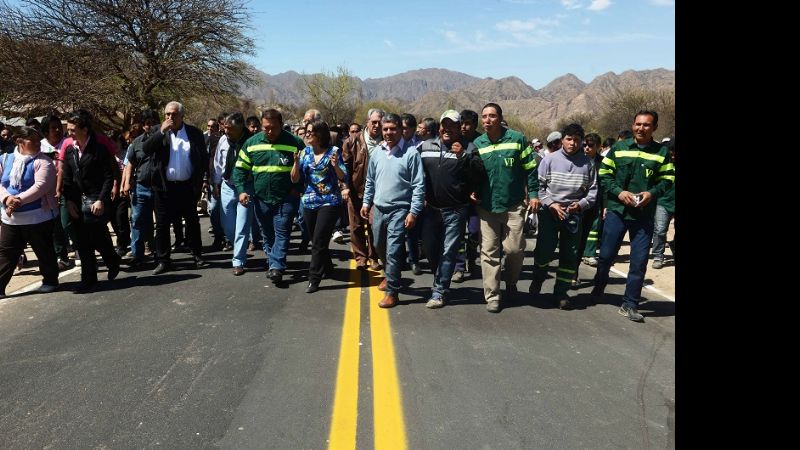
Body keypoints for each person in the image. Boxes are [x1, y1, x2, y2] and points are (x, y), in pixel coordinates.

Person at [592, 110, 675, 322]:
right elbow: (604, 175)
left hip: (643, 216)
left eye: (646, 125)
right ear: (633, 125)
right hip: (617, 212)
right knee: (606, 255)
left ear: (654, 128)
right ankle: (598, 287)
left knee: (638, 262)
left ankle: (630, 304)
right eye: (638, 124)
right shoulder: (619, 149)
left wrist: (651, 193)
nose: (641, 128)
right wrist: (619, 192)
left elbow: (667, 179)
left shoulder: (661, 153)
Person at [473, 103, 539, 313]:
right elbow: (472, 171)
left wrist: (534, 195)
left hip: (513, 205)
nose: (487, 120)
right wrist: (471, 189)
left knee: (515, 249)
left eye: (492, 116)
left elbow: (531, 169)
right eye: (484, 116)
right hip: (487, 206)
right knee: (489, 252)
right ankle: (492, 296)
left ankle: (511, 281)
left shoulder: (517, 139)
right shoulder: (478, 143)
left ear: (500, 118)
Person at [528, 123, 597, 310]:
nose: (572, 143)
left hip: (574, 215)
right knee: (544, 251)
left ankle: (561, 293)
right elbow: (539, 188)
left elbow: (592, 192)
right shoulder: (549, 160)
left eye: (576, 140)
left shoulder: (588, 163)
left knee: (569, 255)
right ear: (562, 141)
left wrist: (581, 205)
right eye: (569, 139)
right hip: (550, 213)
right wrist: (551, 204)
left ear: (581, 141)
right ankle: (538, 278)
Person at [360, 113, 425, 308]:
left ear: (400, 130)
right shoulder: (377, 152)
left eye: (392, 129)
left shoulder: (411, 153)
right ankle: (390, 275)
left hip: (400, 209)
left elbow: (418, 185)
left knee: (394, 250)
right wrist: (366, 203)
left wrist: (413, 212)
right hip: (379, 208)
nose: (388, 132)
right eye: (385, 128)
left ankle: (392, 292)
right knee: (380, 246)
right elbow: (370, 180)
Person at [418, 110, 481, 308]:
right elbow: (415, 171)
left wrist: (463, 156)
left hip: (456, 210)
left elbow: (479, 172)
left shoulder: (469, 148)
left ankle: (439, 291)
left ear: (459, 128)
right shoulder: (426, 146)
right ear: (439, 127)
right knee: (429, 248)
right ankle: (441, 278)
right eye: (444, 125)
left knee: (448, 251)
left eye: (452, 126)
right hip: (430, 209)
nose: (447, 129)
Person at [233, 108, 304, 284]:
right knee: (268, 234)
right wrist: (242, 190)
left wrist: (298, 188)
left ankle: (276, 266)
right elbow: (240, 169)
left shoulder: (294, 143)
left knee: (282, 232)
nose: (269, 131)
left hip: (286, 198)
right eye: (265, 128)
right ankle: (274, 262)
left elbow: (306, 168)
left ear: (281, 125)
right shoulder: (251, 143)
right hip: (261, 198)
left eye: (273, 128)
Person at [142, 101, 209, 275]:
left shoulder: (194, 133)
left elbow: (202, 158)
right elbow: (146, 149)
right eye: (167, 114)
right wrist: (161, 131)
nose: (170, 117)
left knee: (192, 222)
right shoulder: (157, 131)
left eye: (173, 114)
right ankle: (164, 260)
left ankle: (197, 255)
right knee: (162, 225)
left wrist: (201, 180)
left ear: (181, 116)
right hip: (164, 187)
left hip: (187, 186)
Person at [62, 113, 121, 292]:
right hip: (77, 201)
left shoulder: (99, 150)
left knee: (98, 237)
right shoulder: (71, 151)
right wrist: (69, 201)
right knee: (81, 241)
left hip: (96, 199)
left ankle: (112, 260)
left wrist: (101, 200)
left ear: (84, 129)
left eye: (73, 130)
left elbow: (108, 177)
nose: (69, 133)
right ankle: (89, 278)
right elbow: (67, 179)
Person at [0, 127, 60, 296]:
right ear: (19, 141)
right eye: (32, 140)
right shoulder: (5, 159)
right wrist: (6, 199)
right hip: (11, 219)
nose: (36, 144)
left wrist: (17, 201)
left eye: (37, 140)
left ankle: (50, 281)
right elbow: (1, 184)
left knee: (44, 251)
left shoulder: (44, 162)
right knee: (6, 253)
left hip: (38, 217)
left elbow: (40, 187)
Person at [291, 120, 348, 293]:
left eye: (311, 132)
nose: (307, 135)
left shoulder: (334, 152)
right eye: (306, 132)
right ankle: (328, 267)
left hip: (329, 201)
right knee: (316, 239)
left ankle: (313, 278)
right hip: (308, 201)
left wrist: (335, 165)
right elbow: (294, 179)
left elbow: (343, 176)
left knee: (319, 241)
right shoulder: (304, 153)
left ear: (320, 135)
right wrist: (295, 163)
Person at [651, 138, 675, 269]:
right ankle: (658, 256)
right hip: (663, 203)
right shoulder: (662, 165)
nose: (672, 156)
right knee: (660, 230)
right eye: (670, 153)